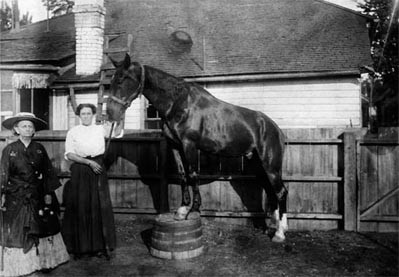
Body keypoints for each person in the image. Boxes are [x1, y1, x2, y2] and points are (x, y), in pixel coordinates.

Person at [0, 112, 69, 277]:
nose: (27, 129)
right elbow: (3, 173)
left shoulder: (39, 149)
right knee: (17, 230)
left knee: (43, 225)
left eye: (30, 126)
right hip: (16, 197)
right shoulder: (9, 149)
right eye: (23, 126)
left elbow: (47, 172)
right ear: (16, 129)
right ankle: (19, 266)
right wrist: (1, 194)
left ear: (34, 130)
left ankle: (43, 262)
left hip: (37, 195)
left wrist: (47, 193)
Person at [62, 103, 122, 260]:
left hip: (98, 169)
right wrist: (88, 162)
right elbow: (69, 154)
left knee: (98, 207)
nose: (86, 116)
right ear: (79, 116)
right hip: (81, 169)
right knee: (81, 206)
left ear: (93, 115)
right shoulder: (73, 132)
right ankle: (80, 248)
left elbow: (116, 132)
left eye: (89, 113)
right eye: (83, 114)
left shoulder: (100, 129)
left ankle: (99, 247)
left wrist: (117, 118)